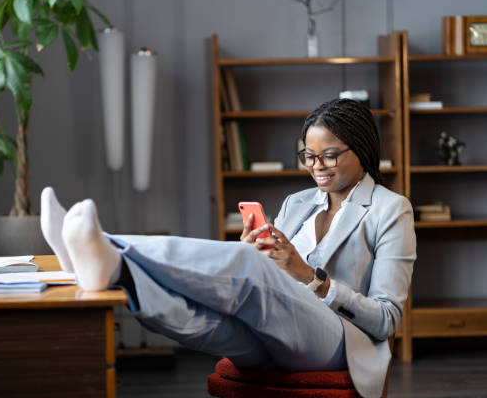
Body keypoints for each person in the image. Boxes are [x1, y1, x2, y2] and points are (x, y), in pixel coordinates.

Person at [40, 98, 416, 398]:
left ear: (362, 150)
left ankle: (109, 247)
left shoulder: (390, 209)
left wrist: (309, 277)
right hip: (279, 329)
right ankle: (116, 271)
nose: (317, 166)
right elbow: (267, 275)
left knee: (243, 266)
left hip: (340, 344)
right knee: (211, 319)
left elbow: (386, 319)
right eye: (308, 156)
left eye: (329, 155)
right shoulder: (298, 202)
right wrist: (257, 253)